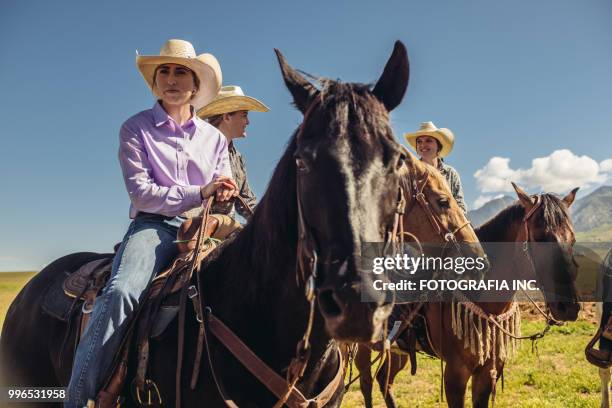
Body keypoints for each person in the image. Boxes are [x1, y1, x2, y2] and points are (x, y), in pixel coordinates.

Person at [66, 39, 237, 407]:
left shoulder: (215, 140)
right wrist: (201, 191)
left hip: (205, 228)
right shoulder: (136, 128)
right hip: (154, 227)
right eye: (165, 72)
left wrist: (224, 191)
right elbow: (142, 194)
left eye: (181, 72)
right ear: (155, 81)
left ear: (195, 86)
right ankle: (79, 398)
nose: (171, 79)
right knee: (122, 292)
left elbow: (221, 184)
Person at [197, 85, 269, 219]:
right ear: (227, 117)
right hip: (194, 229)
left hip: (224, 229)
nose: (248, 122)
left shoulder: (237, 157)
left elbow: (246, 201)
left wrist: (270, 221)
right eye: (244, 115)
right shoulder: (197, 148)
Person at [404, 121, 467, 213]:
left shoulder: (450, 173)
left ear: (439, 146)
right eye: (419, 141)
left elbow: (460, 206)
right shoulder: (409, 173)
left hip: (447, 225)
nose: (423, 145)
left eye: (429, 140)